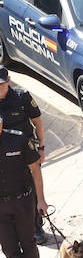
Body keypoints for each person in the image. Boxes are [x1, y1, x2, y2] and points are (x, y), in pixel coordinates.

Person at [1, 110, 46, 258]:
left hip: (23, 202)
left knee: (28, 244)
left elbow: (35, 170)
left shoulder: (18, 140)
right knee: (9, 247)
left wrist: (41, 200)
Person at [0, 69, 46, 247]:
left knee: (32, 188)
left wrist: (41, 147)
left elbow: (37, 121)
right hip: (4, 154)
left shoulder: (22, 96)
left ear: (9, 81)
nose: (0, 87)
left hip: (25, 152)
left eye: (3, 84)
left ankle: (37, 226)